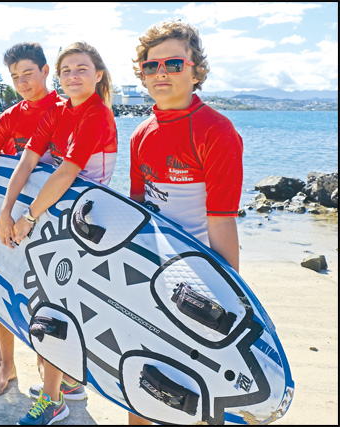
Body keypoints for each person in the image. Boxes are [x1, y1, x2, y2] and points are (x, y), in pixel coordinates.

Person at [127, 19, 243, 425]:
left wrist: (231, 298)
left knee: (194, 390)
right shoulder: (140, 134)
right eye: (151, 65)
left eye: (174, 64)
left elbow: (222, 222)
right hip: (151, 271)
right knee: (143, 381)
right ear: (142, 74)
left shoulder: (216, 131)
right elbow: (138, 211)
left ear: (196, 71)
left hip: (199, 279)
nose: (161, 73)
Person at [0, 41, 117, 425]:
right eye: (67, 70)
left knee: (51, 307)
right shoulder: (58, 110)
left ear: (98, 75)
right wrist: (5, 210)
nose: (73, 76)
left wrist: (28, 218)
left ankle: (53, 400)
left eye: (81, 69)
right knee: (58, 304)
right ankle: (70, 383)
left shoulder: (97, 114)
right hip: (59, 218)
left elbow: (67, 171)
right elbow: (27, 159)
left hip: (87, 225)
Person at [0, 42, 85, 398]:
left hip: (56, 221)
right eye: (15, 76)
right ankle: (7, 365)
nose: (22, 83)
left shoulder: (69, 109)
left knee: (55, 302)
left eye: (28, 74)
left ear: (46, 71)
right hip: (16, 220)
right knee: (1, 285)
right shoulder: (11, 117)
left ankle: (58, 376)